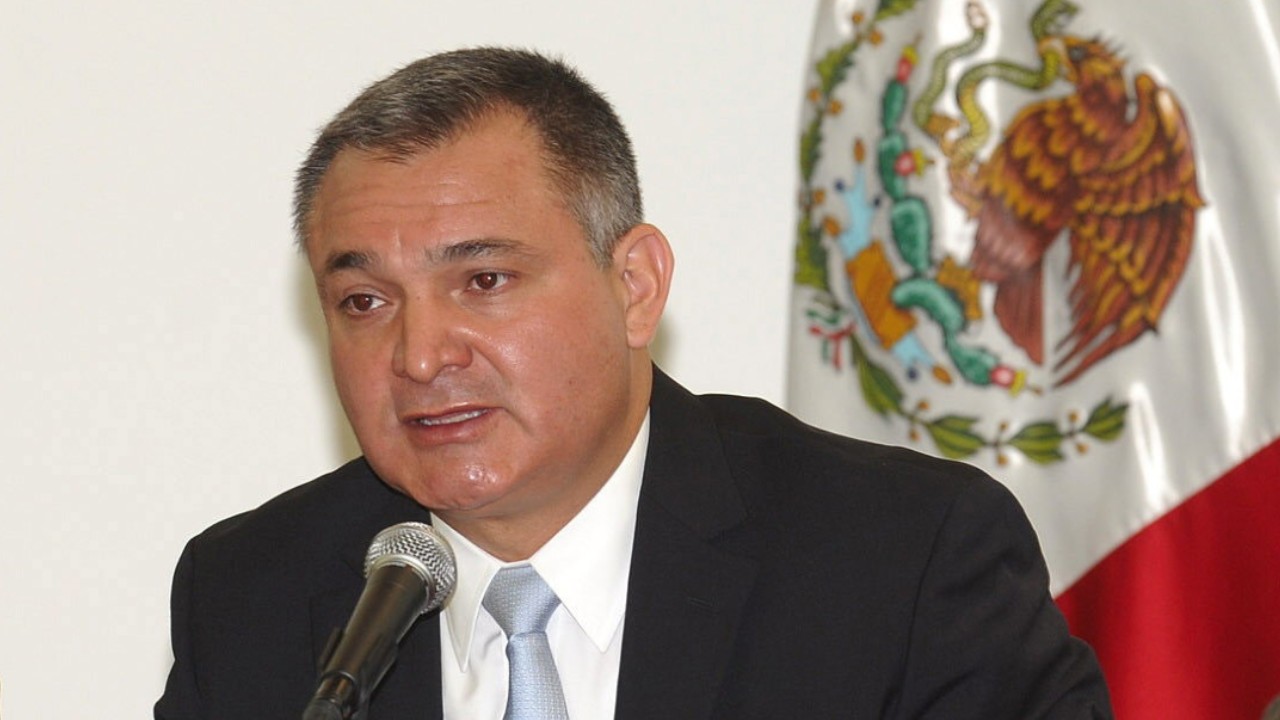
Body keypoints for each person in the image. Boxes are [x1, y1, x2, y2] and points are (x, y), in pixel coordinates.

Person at [155, 47, 1112, 719]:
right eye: (365, 301)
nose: (419, 355)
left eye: (484, 281)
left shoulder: (900, 562)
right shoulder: (250, 598)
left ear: (635, 287)